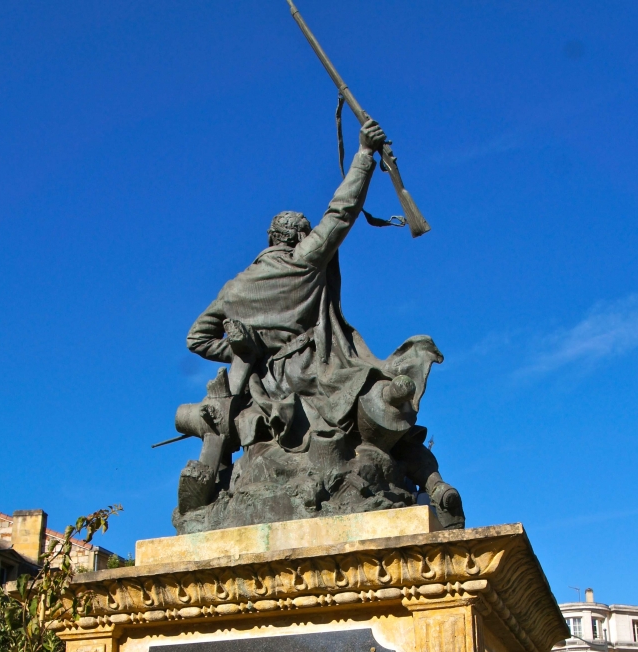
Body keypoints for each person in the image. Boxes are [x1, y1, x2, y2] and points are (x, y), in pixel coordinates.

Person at [178, 118, 463, 531]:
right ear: (297, 239)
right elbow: (342, 211)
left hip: (270, 385)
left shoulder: (234, 287)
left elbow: (196, 339)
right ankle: (432, 481)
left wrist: (250, 350)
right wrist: (364, 154)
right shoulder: (303, 261)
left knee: (375, 408)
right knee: (387, 416)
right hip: (320, 370)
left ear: (271, 237)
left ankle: (429, 479)